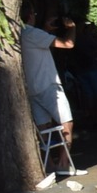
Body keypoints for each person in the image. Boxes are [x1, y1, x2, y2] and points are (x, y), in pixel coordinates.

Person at [20, 13, 75, 164]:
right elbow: (68, 44)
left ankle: (49, 164)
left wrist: (45, 29)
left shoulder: (19, 33)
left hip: (32, 88)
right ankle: (64, 162)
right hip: (48, 85)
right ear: (30, 15)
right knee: (66, 122)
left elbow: (38, 42)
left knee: (43, 127)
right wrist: (71, 28)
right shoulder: (33, 33)